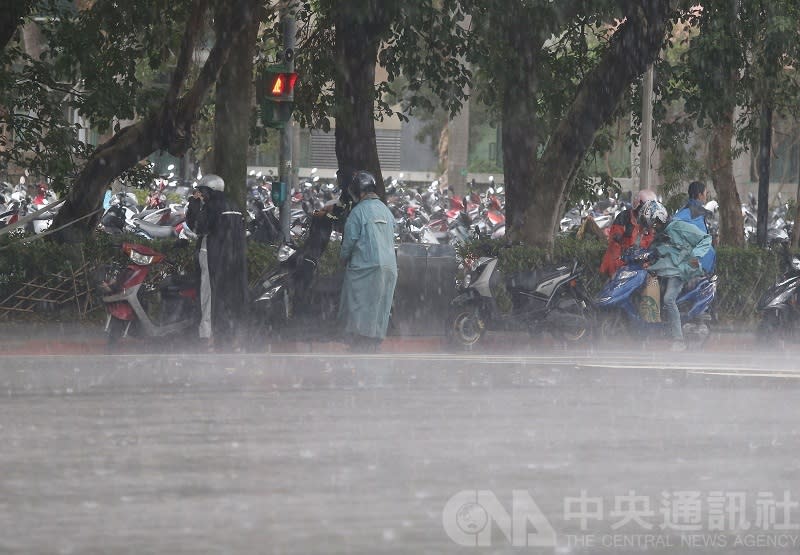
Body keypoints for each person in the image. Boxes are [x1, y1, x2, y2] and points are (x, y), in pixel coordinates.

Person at [639, 200, 712, 351]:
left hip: (682, 271)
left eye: (653, 224)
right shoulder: (660, 234)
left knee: (668, 299)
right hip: (667, 270)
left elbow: (706, 239)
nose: (652, 229)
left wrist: (694, 256)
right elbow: (654, 250)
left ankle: (679, 340)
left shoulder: (679, 227)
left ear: (659, 219)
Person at [338, 170, 397, 352]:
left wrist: (342, 259)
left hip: (365, 266)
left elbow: (348, 243)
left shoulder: (357, 213)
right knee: (380, 304)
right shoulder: (386, 211)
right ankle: (375, 339)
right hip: (389, 267)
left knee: (358, 303)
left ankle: (359, 340)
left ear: (358, 191)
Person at [193, 174, 247, 351]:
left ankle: (207, 336)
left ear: (210, 191)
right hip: (234, 259)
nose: (201, 195)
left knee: (208, 296)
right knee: (231, 296)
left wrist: (195, 206)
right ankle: (232, 335)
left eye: (202, 192)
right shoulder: (234, 206)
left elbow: (199, 228)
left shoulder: (211, 206)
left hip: (212, 256)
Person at [599, 189, 658, 278]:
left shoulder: (652, 223)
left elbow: (653, 242)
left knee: (653, 286)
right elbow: (615, 243)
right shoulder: (624, 217)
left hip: (641, 267)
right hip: (620, 266)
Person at [674, 180, 715, 273]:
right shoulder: (698, 213)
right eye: (705, 193)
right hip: (696, 261)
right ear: (700, 195)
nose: (706, 196)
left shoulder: (682, 210)